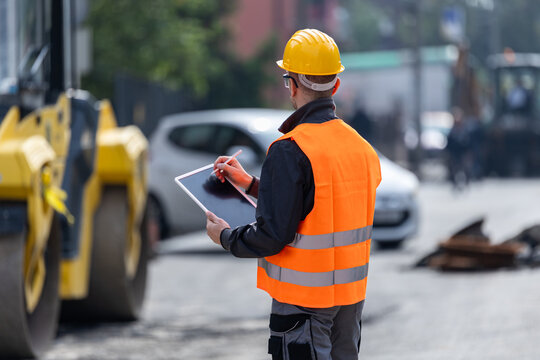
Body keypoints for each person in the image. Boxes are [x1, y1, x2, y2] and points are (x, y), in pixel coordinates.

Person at [205, 29, 381, 360]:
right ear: (336, 85)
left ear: (293, 85)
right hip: (349, 300)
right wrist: (252, 185)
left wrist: (225, 236)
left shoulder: (289, 149)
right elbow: (321, 201)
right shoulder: (362, 149)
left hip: (304, 304)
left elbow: (273, 235)